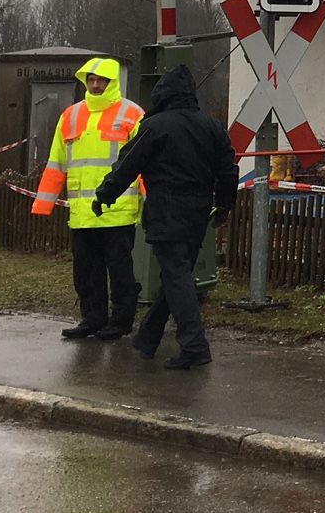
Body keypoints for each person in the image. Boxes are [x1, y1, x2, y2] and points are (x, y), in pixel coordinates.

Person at [91, 64, 236, 369]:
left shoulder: (155, 126)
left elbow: (128, 164)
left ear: (163, 95)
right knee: (177, 276)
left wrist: (105, 194)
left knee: (177, 278)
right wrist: (223, 205)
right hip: (197, 217)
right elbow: (228, 170)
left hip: (166, 213)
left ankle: (195, 346)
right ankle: (148, 337)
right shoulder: (212, 126)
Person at [30, 57, 145, 340]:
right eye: (90, 80)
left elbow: (144, 163)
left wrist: (149, 201)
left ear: (112, 82)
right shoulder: (70, 115)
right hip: (82, 213)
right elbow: (56, 162)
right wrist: (43, 202)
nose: (95, 85)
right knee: (85, 272)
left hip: (117, 210)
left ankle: (120, 321)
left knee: (119, 271)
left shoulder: (132, 114)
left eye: (100, 80)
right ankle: (92, 319)